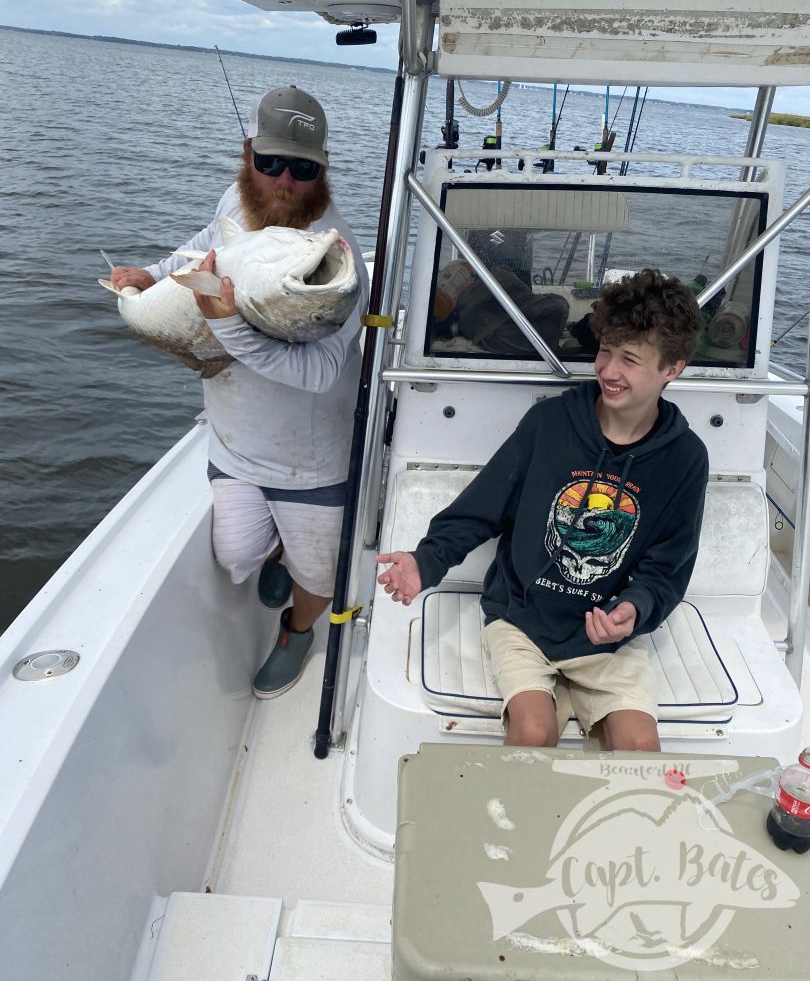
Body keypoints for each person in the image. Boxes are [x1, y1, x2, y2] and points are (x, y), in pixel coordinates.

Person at [377, 269, 708, 752]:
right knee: (533, 732)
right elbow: (481, 508)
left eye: (630, 360)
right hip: (522, 620)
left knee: (638, 746)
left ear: (672, 368)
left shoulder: (685, 458)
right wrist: (425, 562)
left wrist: (633, 610)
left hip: (608, 638)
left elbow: (668, 566)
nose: (609, 370)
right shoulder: (550, 423)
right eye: (605, 350)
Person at [112, 85, 369, 700]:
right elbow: (209, 241)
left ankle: (297, 632)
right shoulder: (237, 197)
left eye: (304, 169)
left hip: (315, 460)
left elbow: (319, 373)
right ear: (247, 152)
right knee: (235, 557)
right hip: (234, 441)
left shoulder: (341, 259)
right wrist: (152, 273)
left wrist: (228, 325)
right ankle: (274, 548)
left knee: (319, 576)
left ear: (323, 170)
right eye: (271, 162)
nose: (285, 181)